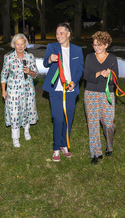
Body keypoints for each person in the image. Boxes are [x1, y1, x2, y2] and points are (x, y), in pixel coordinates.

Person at [42, 22, 84, 162]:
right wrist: (50, 58)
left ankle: (64, 145)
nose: (58, 35)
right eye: (56, 33)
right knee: (57, 118)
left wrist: (75, 82)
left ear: (68, 34)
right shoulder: (52, 47)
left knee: (68, 119)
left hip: (70, 90)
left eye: (61, 33)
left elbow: (79, 70)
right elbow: (45, 63)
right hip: (56, 90)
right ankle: (56, 148)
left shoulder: (77, 50)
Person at [84, 31, 118, 165]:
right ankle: (95, 153)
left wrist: (110, 75)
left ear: (106, 45)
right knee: (92, 124)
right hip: (90, 93)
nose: (96, 47)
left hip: (107, 94)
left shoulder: (112, 58)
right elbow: (87, 76)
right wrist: (98, 73)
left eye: (99, 45)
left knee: (108, 124)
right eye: (94, 44)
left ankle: (109, 145)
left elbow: (115, 81)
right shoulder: (89, 57)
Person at [1, 34, 38, 147]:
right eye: (18, 44)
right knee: (14, 112)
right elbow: (3, 75)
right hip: (13, 90)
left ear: (25, 44)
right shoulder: (9, 58)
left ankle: (26, 131)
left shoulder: (30, 56)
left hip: (27, 89)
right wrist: (3, 90)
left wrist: (30, 71)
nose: (20, 46)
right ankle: (15, 137)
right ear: (14, 45)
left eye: (22, 44)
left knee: (27, 110)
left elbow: (35, 74)